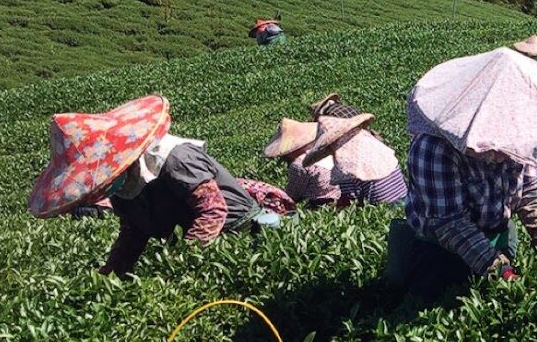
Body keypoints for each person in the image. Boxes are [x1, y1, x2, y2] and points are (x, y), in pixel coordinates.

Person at [388, 47, 537, 297]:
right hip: (437, 250)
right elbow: (450, 223)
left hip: (497, 235)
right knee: (437, 302)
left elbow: (531, 190)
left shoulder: (518, 138)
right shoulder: (433, 149)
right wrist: (501, 271)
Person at [28, 95, 294, 277]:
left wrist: (179, 261)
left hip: (242, 235)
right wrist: (109, 275)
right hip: (200, 249)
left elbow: (213, 211)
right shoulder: (121, 187)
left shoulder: (175, 159)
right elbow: (134, 232)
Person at [304, 113, 408, 205]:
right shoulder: (374, 145)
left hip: (382, 207)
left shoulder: (345, 166)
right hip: (406, 198)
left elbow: (347, 201)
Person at [263, 118, 339, 206]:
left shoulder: (299, 165)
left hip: (317, 203)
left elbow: (292, 196)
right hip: (338, 197)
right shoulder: (325, 151)